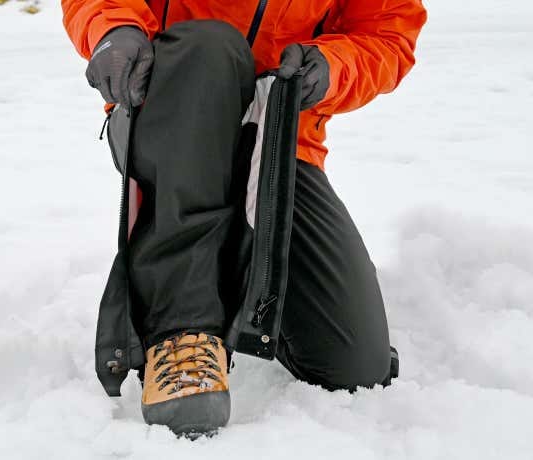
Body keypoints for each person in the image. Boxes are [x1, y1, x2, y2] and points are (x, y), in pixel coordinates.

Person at [62, 0, 427, 435]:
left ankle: (239, 293)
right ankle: (179, 333)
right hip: (172, 108)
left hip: (277, 135)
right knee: (212, 45)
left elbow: (387, 32)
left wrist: (331, 65)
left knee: (354, 365)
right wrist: (113, 29)